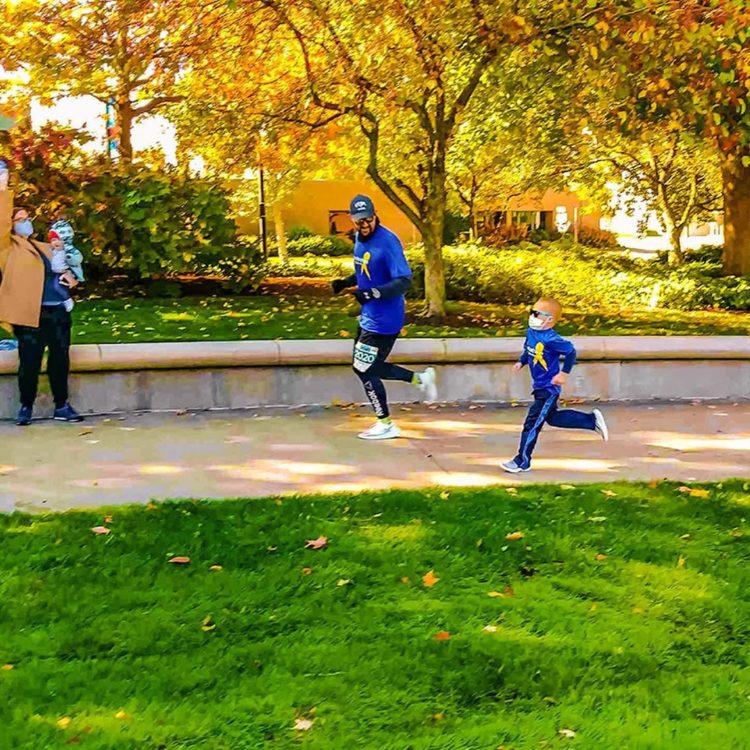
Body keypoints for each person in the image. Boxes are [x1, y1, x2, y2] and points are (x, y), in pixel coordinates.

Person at [332, 194, 437, 440]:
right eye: (359, 221)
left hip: (385, 318)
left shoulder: (388, 242)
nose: (365, 225)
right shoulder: (358, 237)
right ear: (353, 220)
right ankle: (420, 379)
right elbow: (366, 271)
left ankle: (386, 423)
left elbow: (403, 281)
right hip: (369, 315)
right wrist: (345, 282)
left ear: (375, 214)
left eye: (368, 219)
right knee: (363, 367)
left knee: (364, 368)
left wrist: (372, 293)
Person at [0, 168, 83, 425]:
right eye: (20, 218)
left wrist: (72, 278)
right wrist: (3, 188)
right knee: (29, 364)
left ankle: (62, 406)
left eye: (27, 217)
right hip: (30, 315)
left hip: (57, 311)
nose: (26, 221)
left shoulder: (44, 247)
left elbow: (64, 271)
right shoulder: (7, 247)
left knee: (60, 360)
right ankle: (26, 407)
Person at [502, 297, 608, 473]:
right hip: (539, 387)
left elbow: (571, 352)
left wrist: (563, 373)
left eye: (536, 314)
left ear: (549, 319)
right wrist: (521, 362)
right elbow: (529, 350)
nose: (532, 316)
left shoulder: (553, 339)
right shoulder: (532, 332)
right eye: (531, 312)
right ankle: (591, 420)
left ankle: (522, 461)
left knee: (532, 423)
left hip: (549, 389)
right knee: (552, 418)